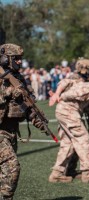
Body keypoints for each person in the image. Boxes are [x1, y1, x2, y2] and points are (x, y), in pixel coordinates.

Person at [0, 43, 47, 199]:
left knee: (5, 172)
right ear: (5, 59)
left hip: (11, 132)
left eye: (21, 59)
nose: (20, 62)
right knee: (12, 168)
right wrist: (8, 92)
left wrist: (40, 123)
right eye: (16, 59)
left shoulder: (18, 78)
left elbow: (27, 106)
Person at [48, 58, 89, 183]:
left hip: (63, 112)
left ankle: (57, 173)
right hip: (69, 113)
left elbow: (63, 82)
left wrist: (57, 94)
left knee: (68, 143)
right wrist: (60, 95)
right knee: (83, 139)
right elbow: (75, 93)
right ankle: (87, 172)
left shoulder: (74, 79)